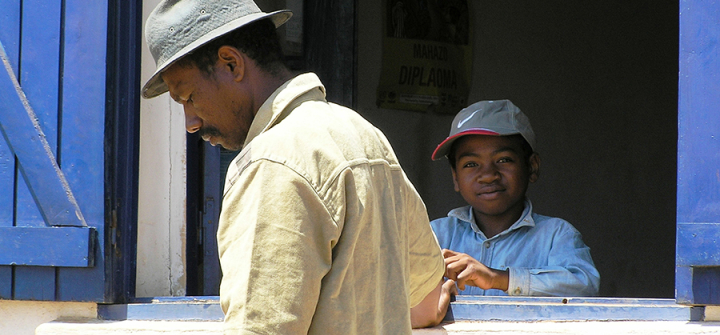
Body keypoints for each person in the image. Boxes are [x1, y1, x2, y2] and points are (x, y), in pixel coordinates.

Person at [142, 0, 451, 333]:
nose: (190, 122)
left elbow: (259, 328)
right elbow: (425, 300)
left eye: (188, 97)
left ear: (231, 64)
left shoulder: (273, 163)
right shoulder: (363, 134)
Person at [430, 100, 600, 296]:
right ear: (455, 178)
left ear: (532, 167)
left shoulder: (556, 235)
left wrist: (497, 278)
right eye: (470, 164)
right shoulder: (436, 236)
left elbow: (584, 287)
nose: (488, 175)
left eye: (504, 160)